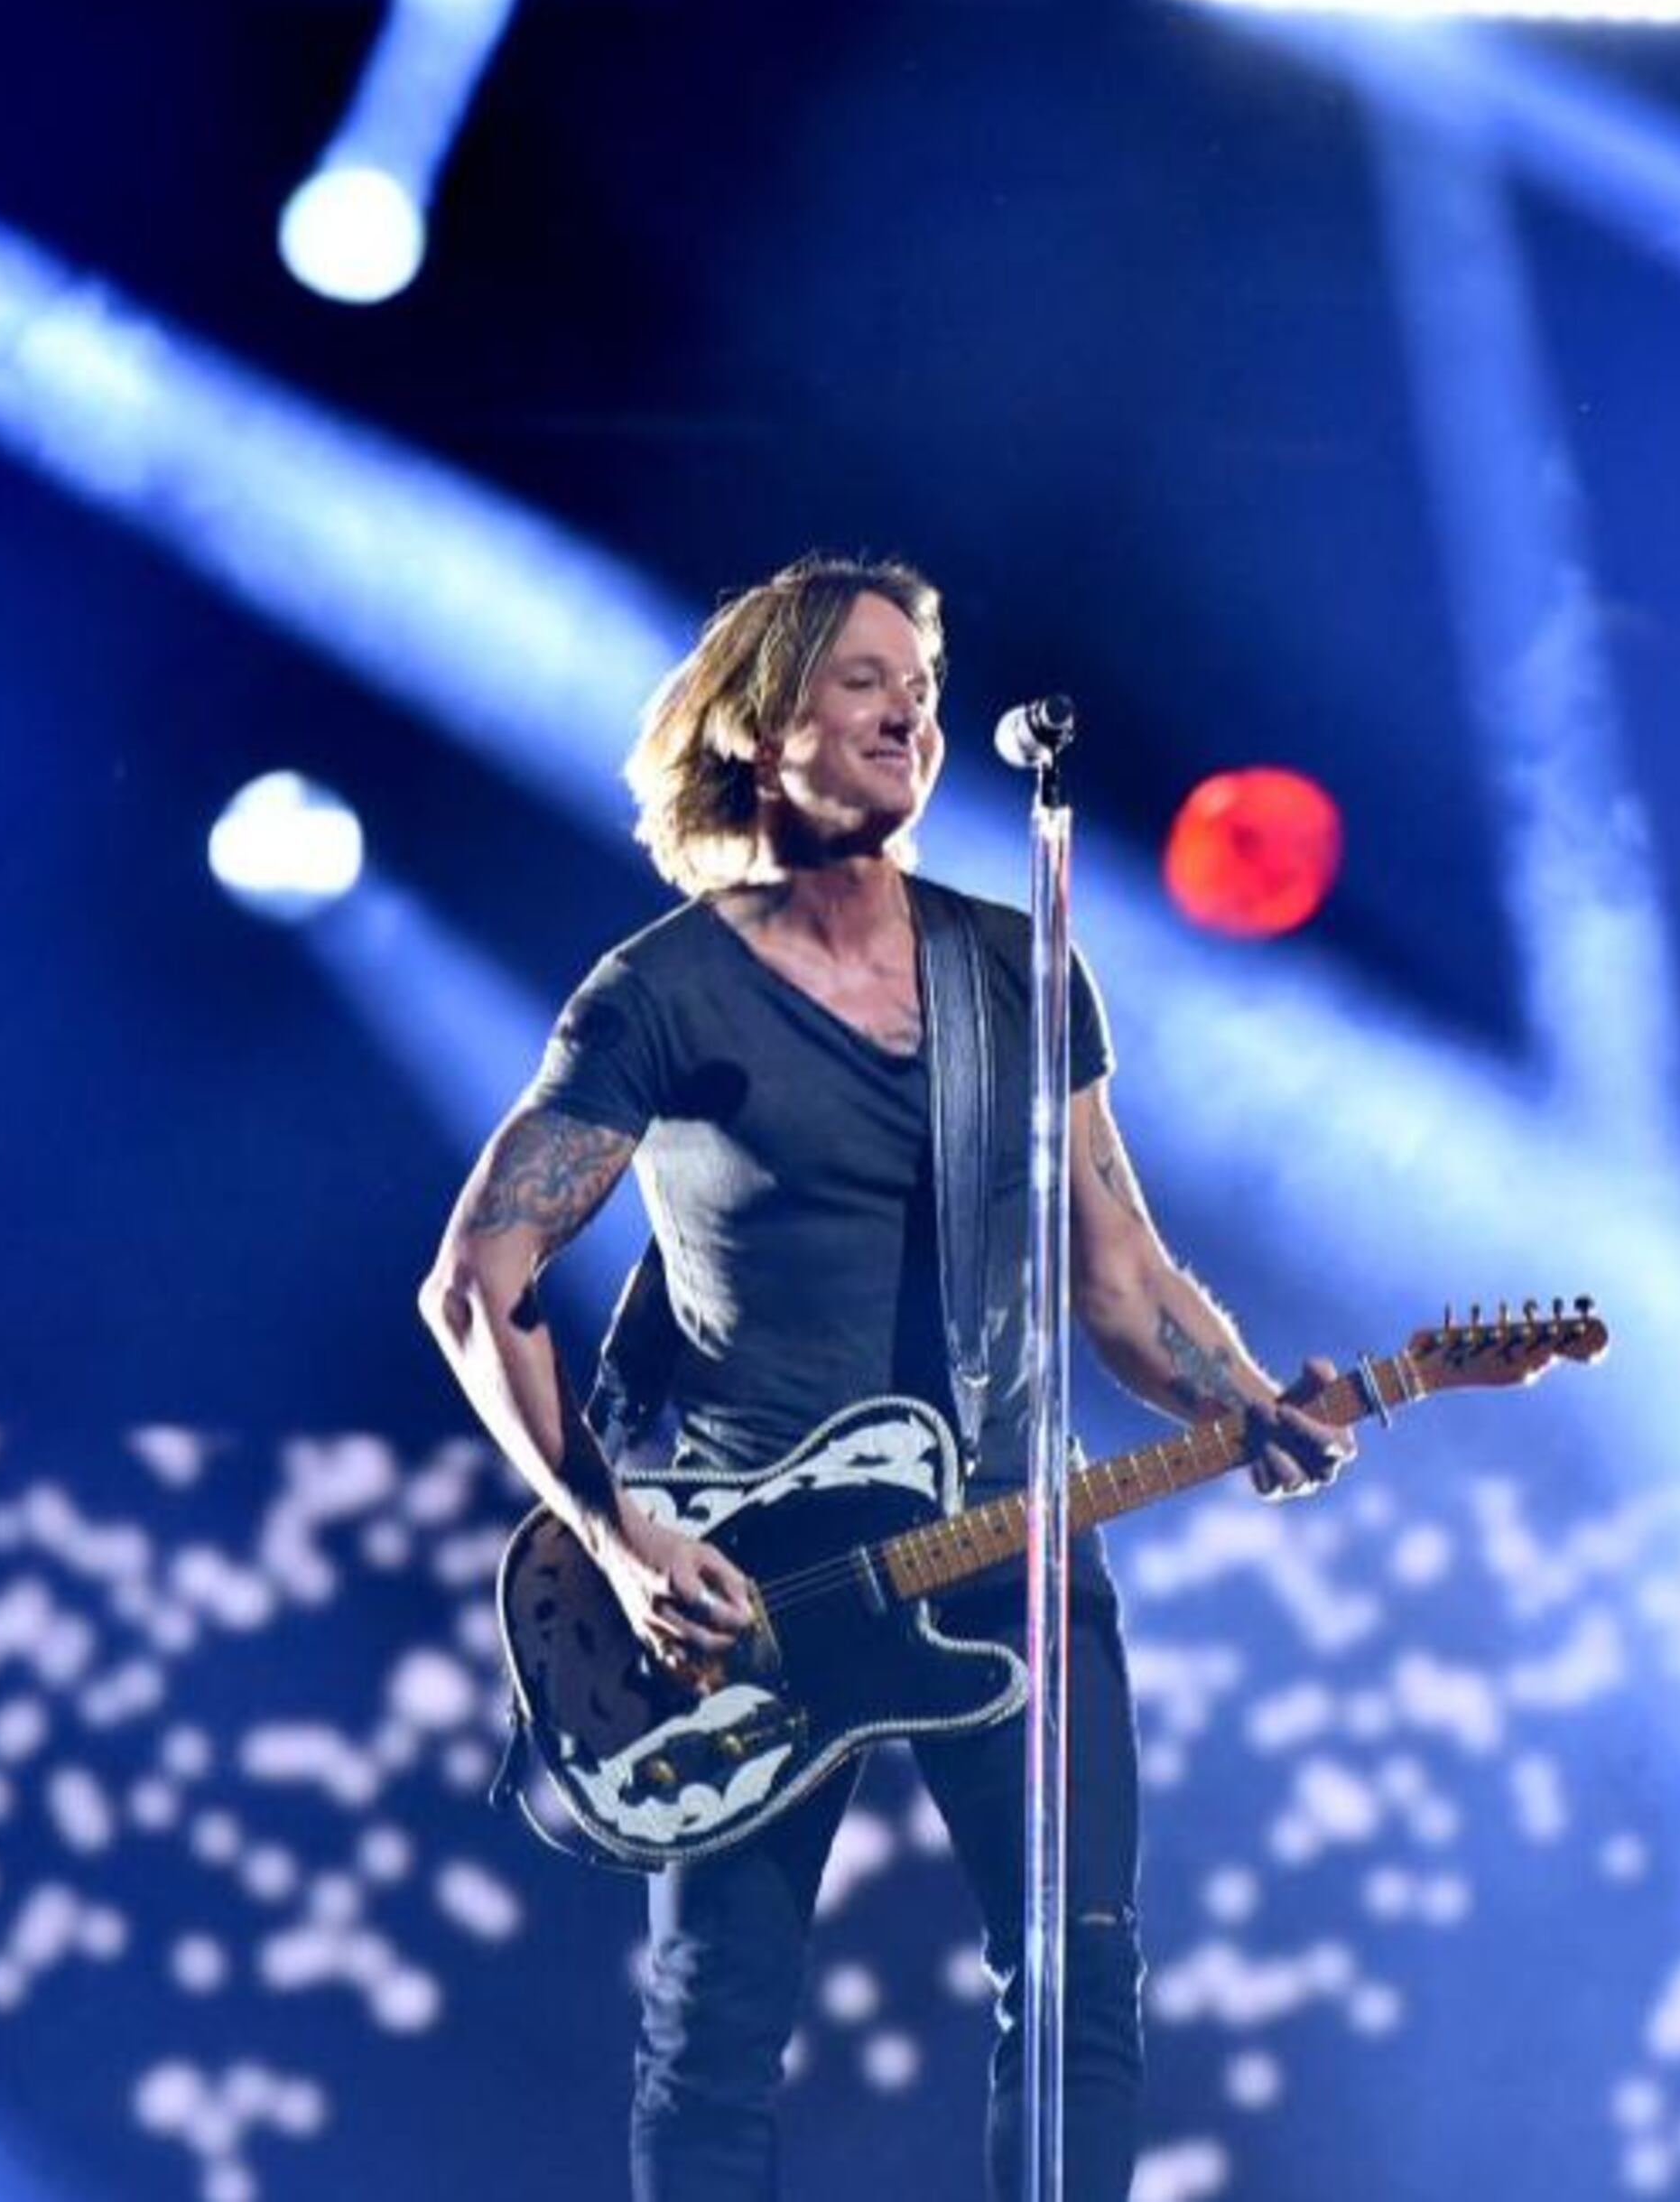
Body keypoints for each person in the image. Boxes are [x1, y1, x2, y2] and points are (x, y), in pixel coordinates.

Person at [416, 553, 1352, 2201]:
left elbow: (1120, 1276)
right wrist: (624, 1542)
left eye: (920, 686)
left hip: (1010, 1542)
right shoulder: (663, 992)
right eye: (862, 679)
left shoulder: (1016, 973)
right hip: (747, 1579)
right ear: (757, 724)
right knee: (718, 2023)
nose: (907, 711)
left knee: (1080, 1976)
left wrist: (1246, 1400)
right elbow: (475, 1289)